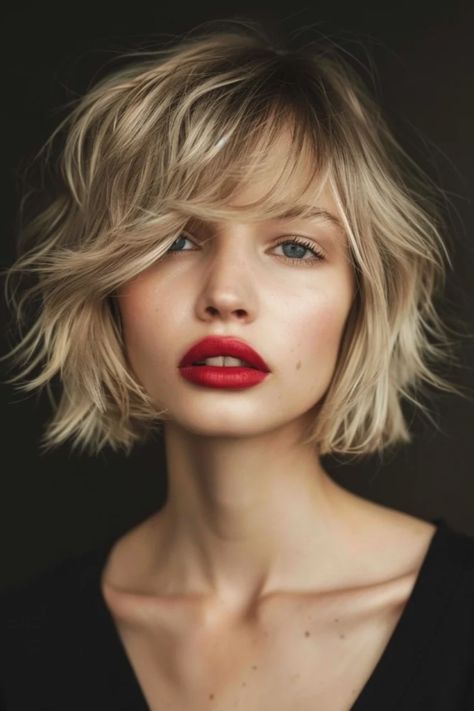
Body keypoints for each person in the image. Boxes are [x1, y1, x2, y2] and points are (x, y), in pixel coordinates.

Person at [1, 17, 473, 711]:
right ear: (109, 286)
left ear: (360, 300)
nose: (225, 294)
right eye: (176, 240)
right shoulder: (22, 642)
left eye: (295, 247)